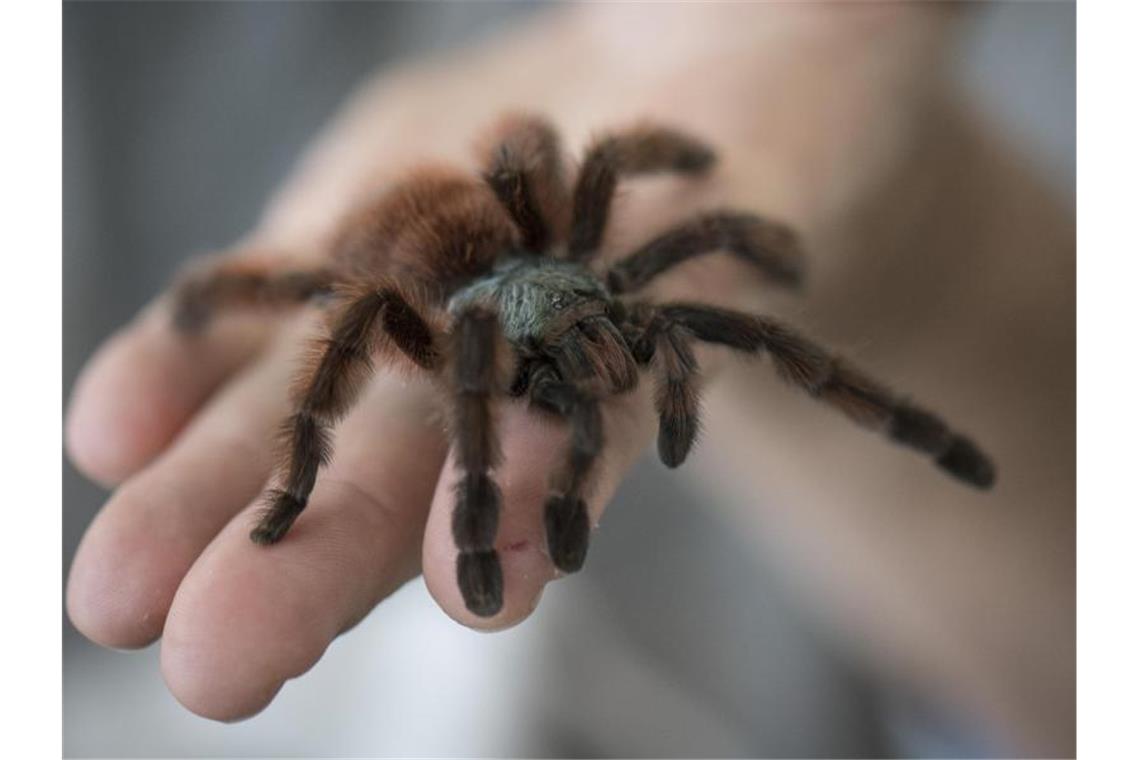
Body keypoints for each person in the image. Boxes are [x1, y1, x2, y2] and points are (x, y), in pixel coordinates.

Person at [65, 4, 1073, 753]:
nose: (610, 357)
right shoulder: (443, 336)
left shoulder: (602, 268)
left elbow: (575, 157)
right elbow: (418, 343)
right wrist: (300, 482)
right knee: (359, 308)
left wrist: (778, 196)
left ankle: (926, 432)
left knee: (732, 320)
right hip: (423, 270)